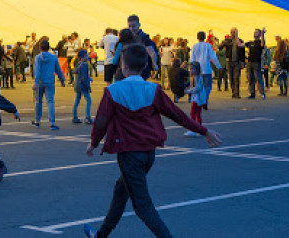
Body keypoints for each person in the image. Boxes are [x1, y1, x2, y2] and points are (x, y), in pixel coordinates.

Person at [84, 44, 222, 238]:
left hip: (129, 154)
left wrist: (94, 142)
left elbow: (101, 121)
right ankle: (102, 234)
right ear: (143, 67)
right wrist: (204, 130)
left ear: (124, 66)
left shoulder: (114, 91)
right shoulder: (153, 90)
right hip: (148, 153)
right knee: (121, 190)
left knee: (143, 207)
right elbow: (178, 116)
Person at [32, 39, 65, 130]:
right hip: (50, 82)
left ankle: (37, 121)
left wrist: (35, 82)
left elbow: (37, 70)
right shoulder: (53, 57)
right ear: (49, 47)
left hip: (40, 82)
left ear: (40, 48)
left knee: (38, 101)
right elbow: (58, 69)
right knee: (50, 102)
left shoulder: (38, 58)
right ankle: (52, 123)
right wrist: (62, 80)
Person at [189, 31, 220, 107]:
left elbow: (192, 58)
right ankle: (205, 98)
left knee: (199, 86)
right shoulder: (208, 46)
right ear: (205, 37)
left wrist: (191, 69)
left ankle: (201, 100)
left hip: (197, 70)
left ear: (197, 37)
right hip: (206, 69)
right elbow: (213, 57)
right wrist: (218, 66)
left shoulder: (194, 46)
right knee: (208, 86)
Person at [127, 15, 160, 80]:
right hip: (132, 69)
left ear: (139, 25)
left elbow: (152, 53)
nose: (131, 28)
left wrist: (154, 64)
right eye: (129, 26)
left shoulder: (144, 38)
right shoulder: (130, 37)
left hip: (141, 70)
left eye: (133, 26)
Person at [219, 28, 245, 99]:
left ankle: (237, 93)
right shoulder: (228, 41)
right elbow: (220, 47)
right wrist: (221, 43)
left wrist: (243, 62)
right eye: (232, 32)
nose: (233, 33)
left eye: (234, 32)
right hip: (229, 61)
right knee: (231, 78)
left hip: (237, 61)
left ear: (237, 32)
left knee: (236, 77)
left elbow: (243, 52)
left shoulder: (240, 41)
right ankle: (233, 92)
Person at [184, 61, 207, 137]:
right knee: (197, 114)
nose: (190, 70)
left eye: (192, 68)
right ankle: (199, 129)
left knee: (193, 113)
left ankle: (193, 129)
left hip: (197, 98)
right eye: (190, 68)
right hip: (198, 98)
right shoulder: (196, 77)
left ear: (197, 69)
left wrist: (189, 90)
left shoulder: (197, 77)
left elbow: (198, 88)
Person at [72, 50, 93, 124]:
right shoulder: (84, 65)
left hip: (77, 85)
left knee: (77, 101)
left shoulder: (78, 64)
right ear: (83, 57)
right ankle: (87, 117)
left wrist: (89, 78)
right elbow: (84, 78)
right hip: (83, 86)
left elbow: (79, 74)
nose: (88, 56)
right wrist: (88, 86)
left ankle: (74, 117)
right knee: (89, 101)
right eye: (86, 55)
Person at [245, 28, 266, 99]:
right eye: (254, 32)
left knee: (258, 78)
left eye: (257, 32)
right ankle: (252, 93)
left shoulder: (260, 42)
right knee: (250, 78)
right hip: (250, 62)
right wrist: (236, 35)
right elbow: (241, 45)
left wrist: (263, 34)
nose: (255, 33)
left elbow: (263, 45)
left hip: (257, 62)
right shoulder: (250, 43)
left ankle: (262, 93)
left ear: (259, 34)